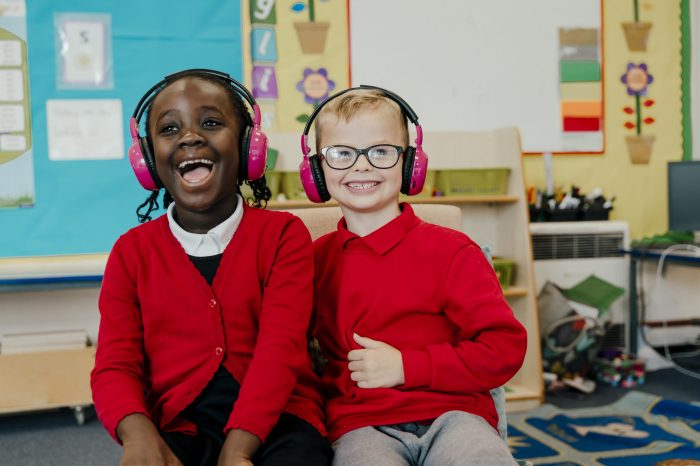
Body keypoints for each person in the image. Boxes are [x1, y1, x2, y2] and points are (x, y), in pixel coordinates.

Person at [91, 69, 332, 466]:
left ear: (247, 147)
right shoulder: (131, 252)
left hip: (278, 423)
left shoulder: (282, 236)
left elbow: (280, 351)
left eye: (210, 122)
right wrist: (138, 436)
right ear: (149, 160)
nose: (189, 136)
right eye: (169, 128)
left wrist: (236, 452)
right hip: (179, 424)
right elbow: (114, 366)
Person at [299, 87, 527, 466]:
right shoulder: (312, 261)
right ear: (315, 171)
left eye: (381, 151)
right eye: (341, 153)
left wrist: (407, 366)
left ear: (410, 164)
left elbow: (504, 350)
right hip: (361, 426)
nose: (361, 166)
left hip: (457, 417)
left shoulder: (453, 251)